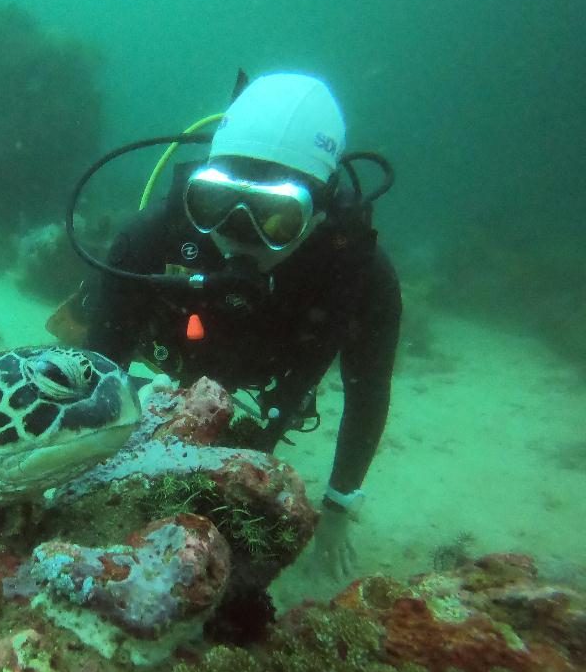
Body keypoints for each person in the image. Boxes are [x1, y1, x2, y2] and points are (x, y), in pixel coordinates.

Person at [85, 72, 401, 580]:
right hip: (167, 372)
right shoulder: (150, 239)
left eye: (276, 216)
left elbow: (368, 395)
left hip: (262, 397)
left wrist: (338, 510)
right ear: (198, 187)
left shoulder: (360, 276)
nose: (239, 236)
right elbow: (97, 364)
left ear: (319, 210)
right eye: (215, 201)